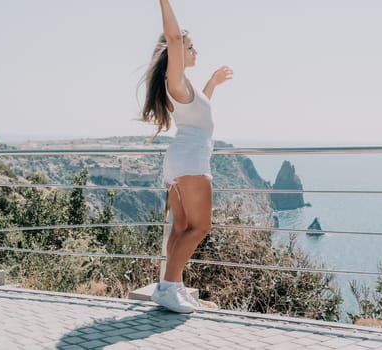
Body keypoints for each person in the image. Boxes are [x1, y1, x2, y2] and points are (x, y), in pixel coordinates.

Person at [140, 0, 233, 313]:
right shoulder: (175, 80)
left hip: (180, 159)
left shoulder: (184, 88)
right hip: (192, 162)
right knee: (200, 227)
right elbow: (175, 38)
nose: (194, 51)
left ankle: (173, 286)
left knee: (181, 227)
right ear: (177, 52)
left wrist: (212, 82)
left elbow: (199, 109)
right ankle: (167, 287)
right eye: (190, 47)